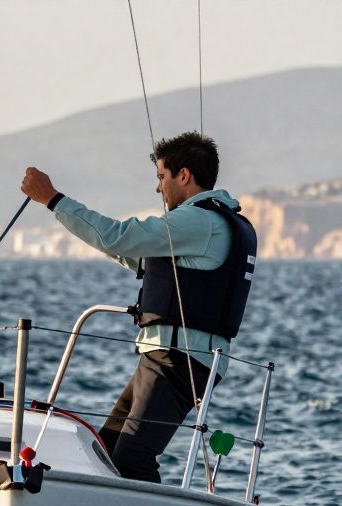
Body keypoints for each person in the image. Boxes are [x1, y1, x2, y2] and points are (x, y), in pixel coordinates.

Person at [20, 131, 256, 483]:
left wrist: (54, 201)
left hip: (178, 358)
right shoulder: (213, 222)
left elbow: (119, 235)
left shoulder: (197, 221)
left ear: (184, 176)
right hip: (173, 357)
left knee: (132, 457)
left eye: (161, 177)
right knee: (106, 449)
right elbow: (132, 254)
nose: (158, 189)